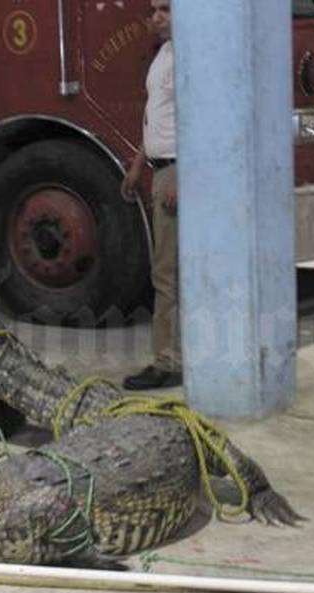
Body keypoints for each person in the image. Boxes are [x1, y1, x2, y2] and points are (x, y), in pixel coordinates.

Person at [121, 0, 183, 391]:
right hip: (162, 168)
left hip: (178, 171)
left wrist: (184, 176)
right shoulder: (164, 53)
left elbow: (198, 118)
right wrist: (138, 164)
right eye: (152, 9)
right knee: (169, 271)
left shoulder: (190, 58)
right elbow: (157, 114)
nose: (156, 17)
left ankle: (167, 362)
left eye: (165, 8)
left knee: (166, 273)